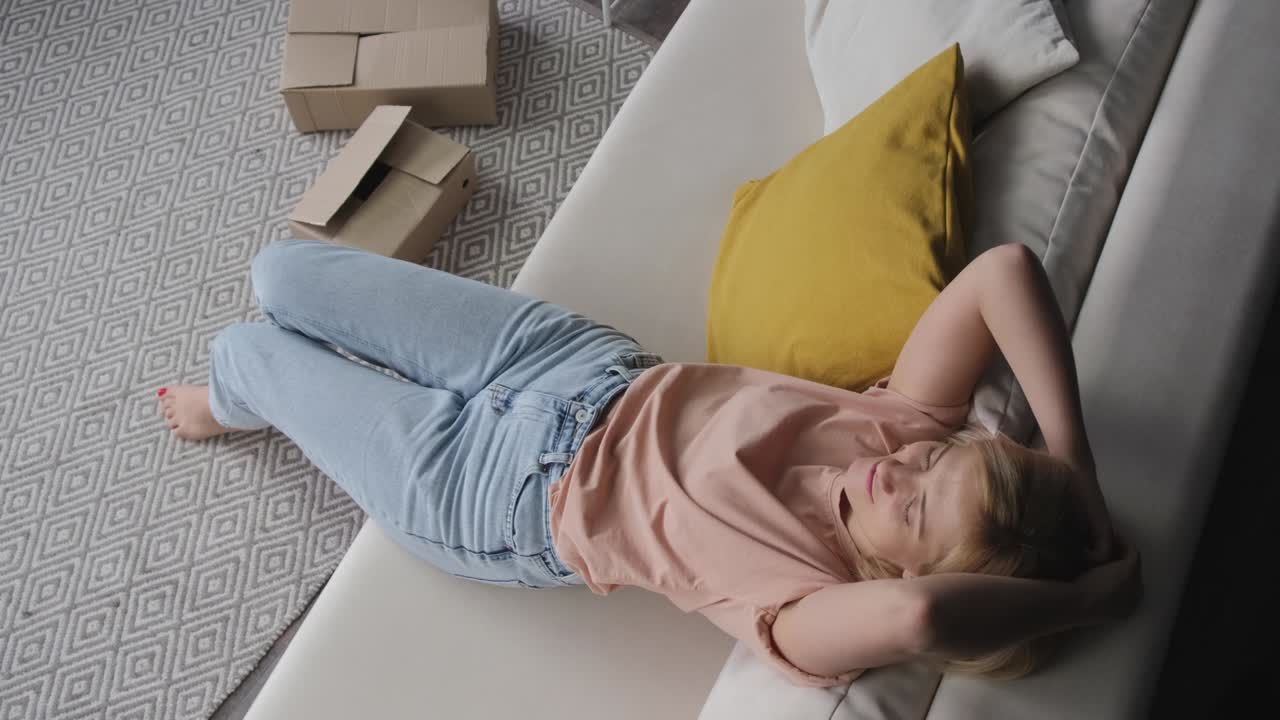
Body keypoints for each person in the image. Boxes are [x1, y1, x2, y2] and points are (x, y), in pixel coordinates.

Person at [156, 238, 1142, 687]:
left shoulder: (802, 602)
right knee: (279, 272)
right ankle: (255, 388)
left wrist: (1083, 602)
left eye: (921, 512)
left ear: (907, 564)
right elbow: (1002, 271)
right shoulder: (890, 426)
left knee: (244, 356)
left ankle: (230, 406)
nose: (905, 473)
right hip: (572, 365)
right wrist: (1071, 466)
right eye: (940, 461)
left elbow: (921, 618)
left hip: (493, 491)